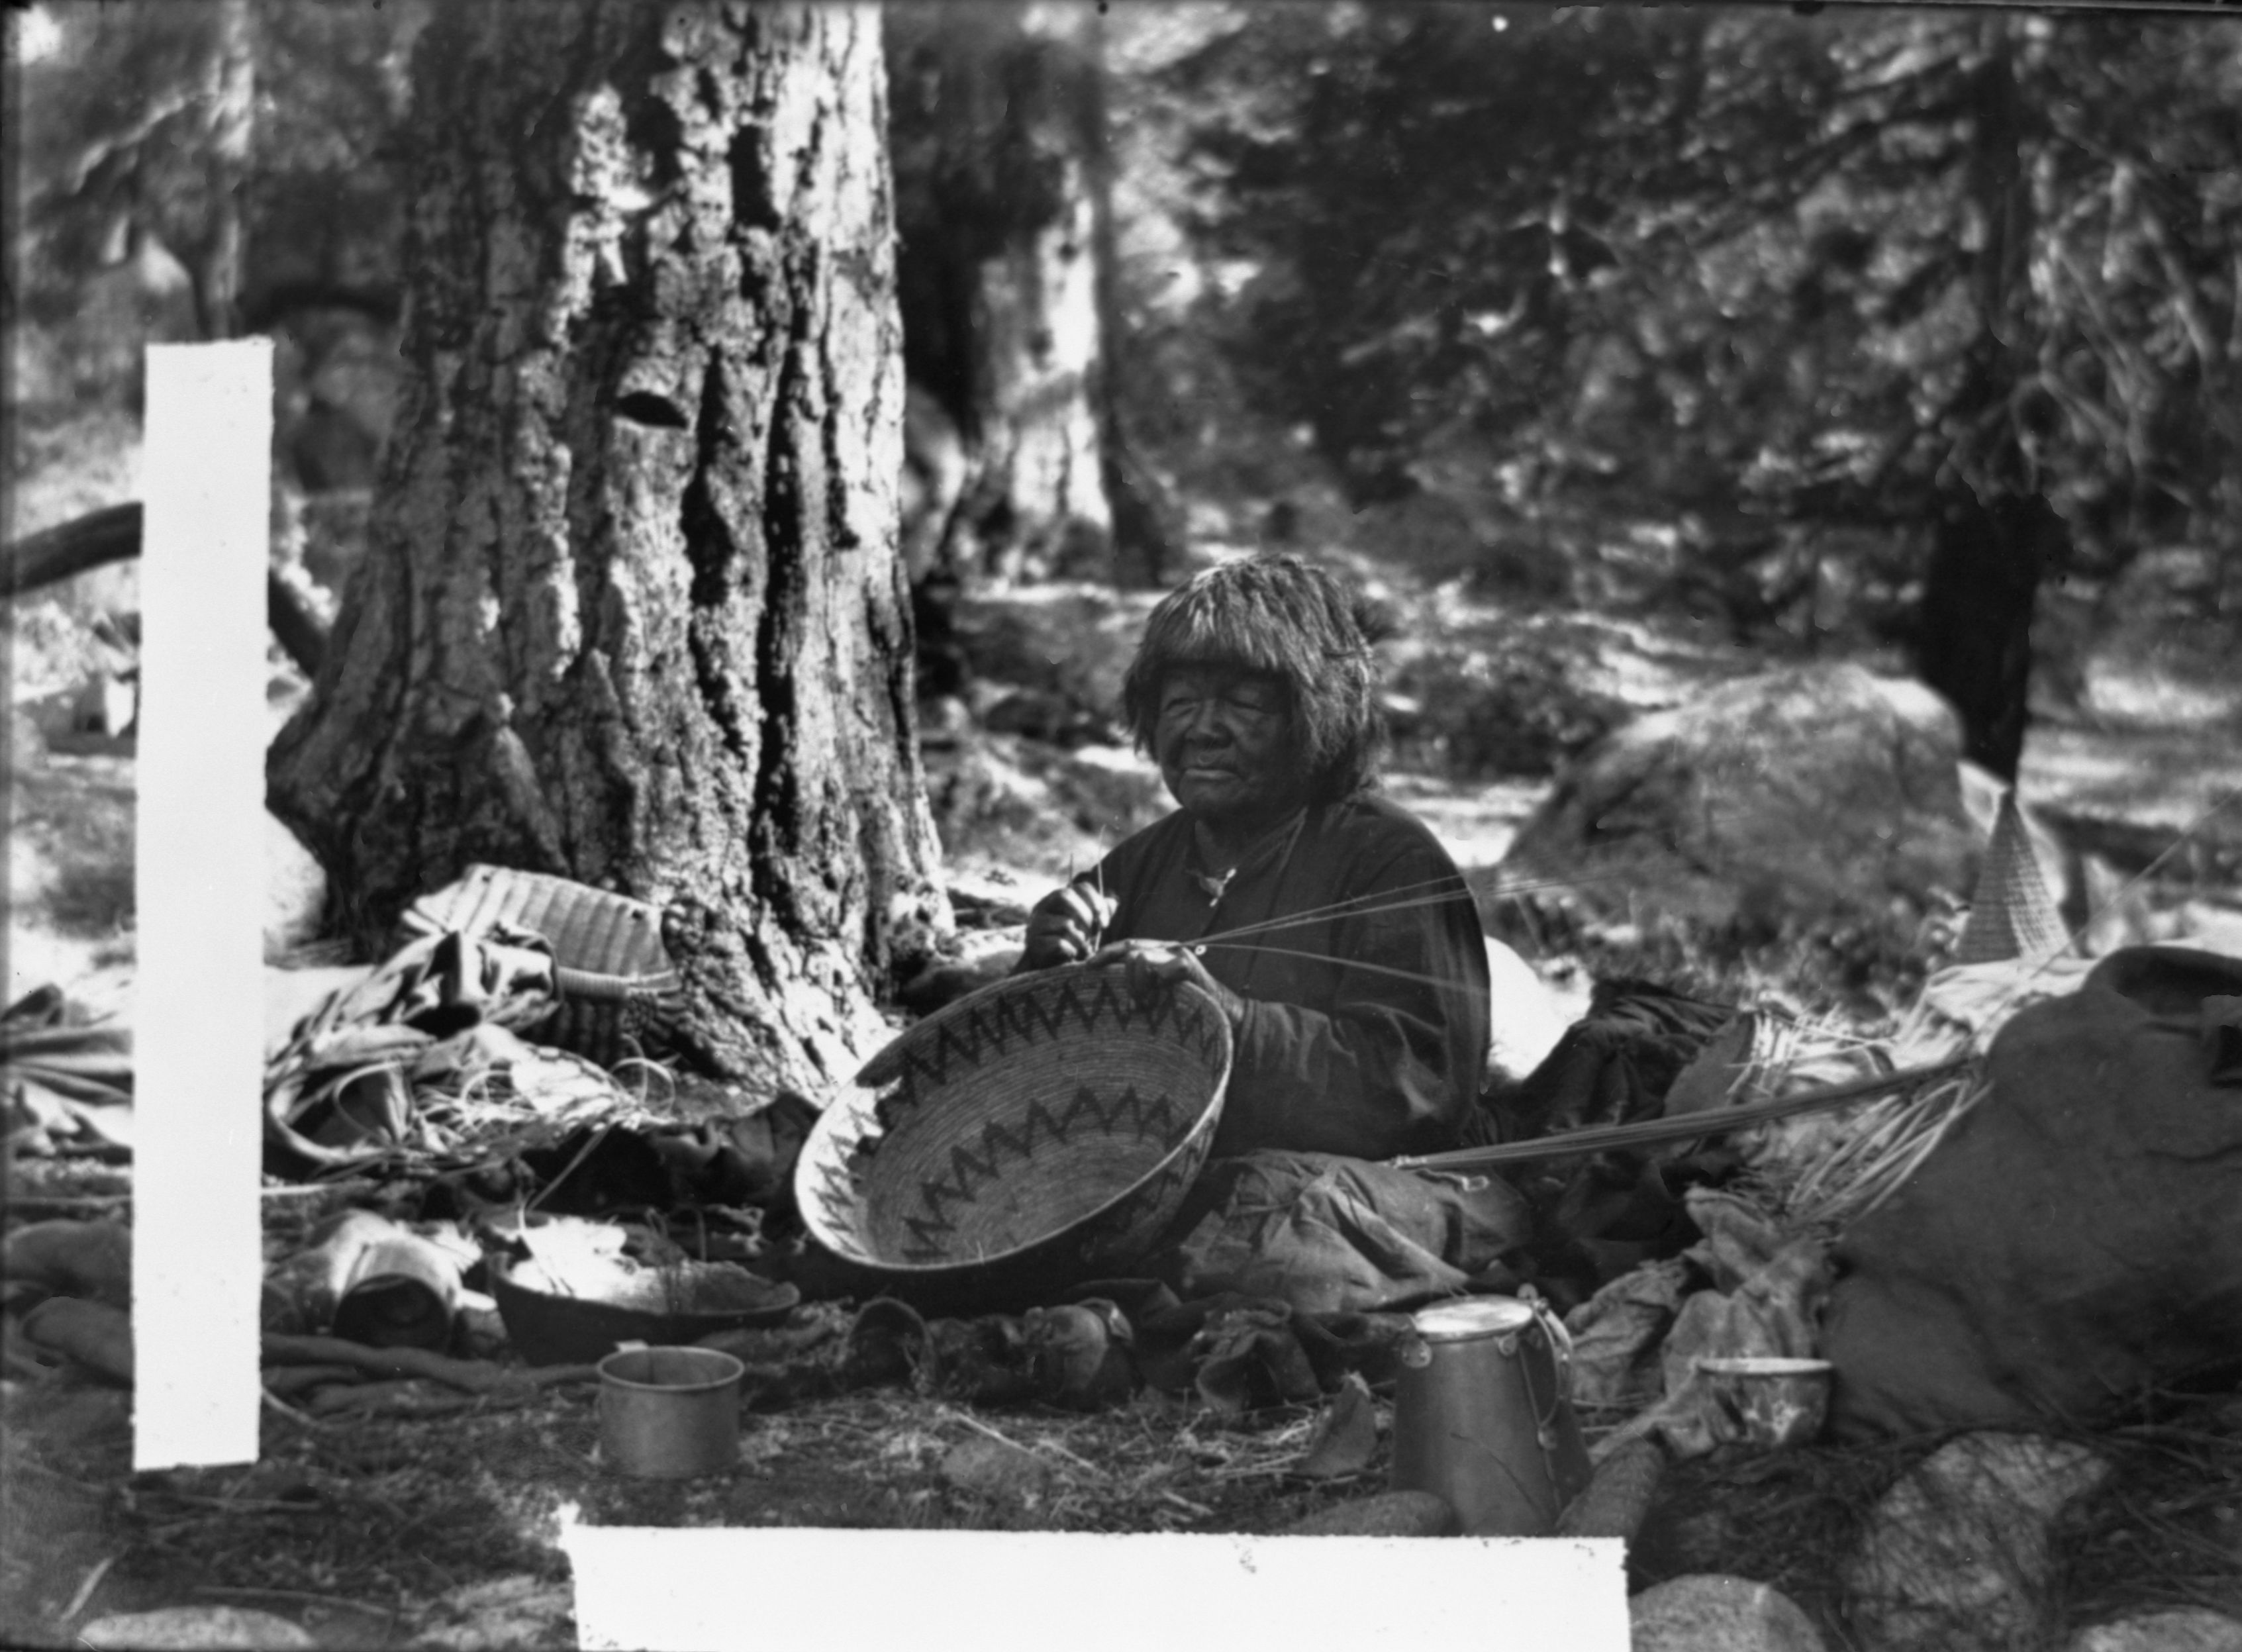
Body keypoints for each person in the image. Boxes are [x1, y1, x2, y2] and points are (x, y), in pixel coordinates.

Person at [1017, 553, 1492, 1165]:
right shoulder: (1141, 863)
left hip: (1342, 1183)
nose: (1203, 729)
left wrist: (1227, 1018)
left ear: (1317, 716)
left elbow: (1420, 1094)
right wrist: (1041, 968)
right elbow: (1038, 1074)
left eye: (1244, 703)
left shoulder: (1390, 859)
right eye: (1180, 703)